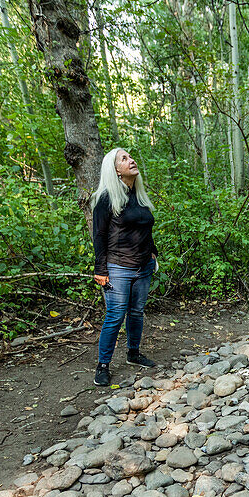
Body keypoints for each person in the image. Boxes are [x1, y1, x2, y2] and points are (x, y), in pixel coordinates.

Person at [90, 147, 159, 387]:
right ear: (116, 169)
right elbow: (98, 235)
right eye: (125, 158)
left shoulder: (138, 196)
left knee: (137, 312)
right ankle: (103, 365)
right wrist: (101, 269)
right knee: (115, 316)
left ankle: (133, 353)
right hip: (118, 268)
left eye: (131, 156)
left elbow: (145, 228)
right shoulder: (107, 197)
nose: (131, 160)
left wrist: (153, 253)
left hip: (143, 267)